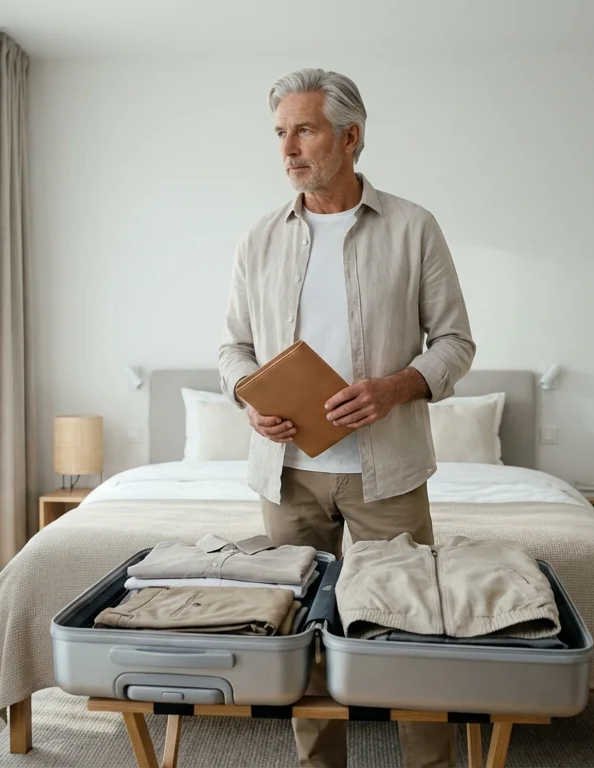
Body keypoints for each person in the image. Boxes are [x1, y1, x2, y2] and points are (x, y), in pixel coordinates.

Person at [218, 67, 476, 768]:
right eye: (280, 133)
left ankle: (429, 762)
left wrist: (394, 388)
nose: (288, 148)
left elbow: (455, 342)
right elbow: (232, 347)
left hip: (385, 472)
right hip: (288, 475)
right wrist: (251, 394)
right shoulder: (258, 238)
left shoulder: (414, 228)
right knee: (298, 636)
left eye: (304, 129)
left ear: (351, 136)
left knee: (411, 628)